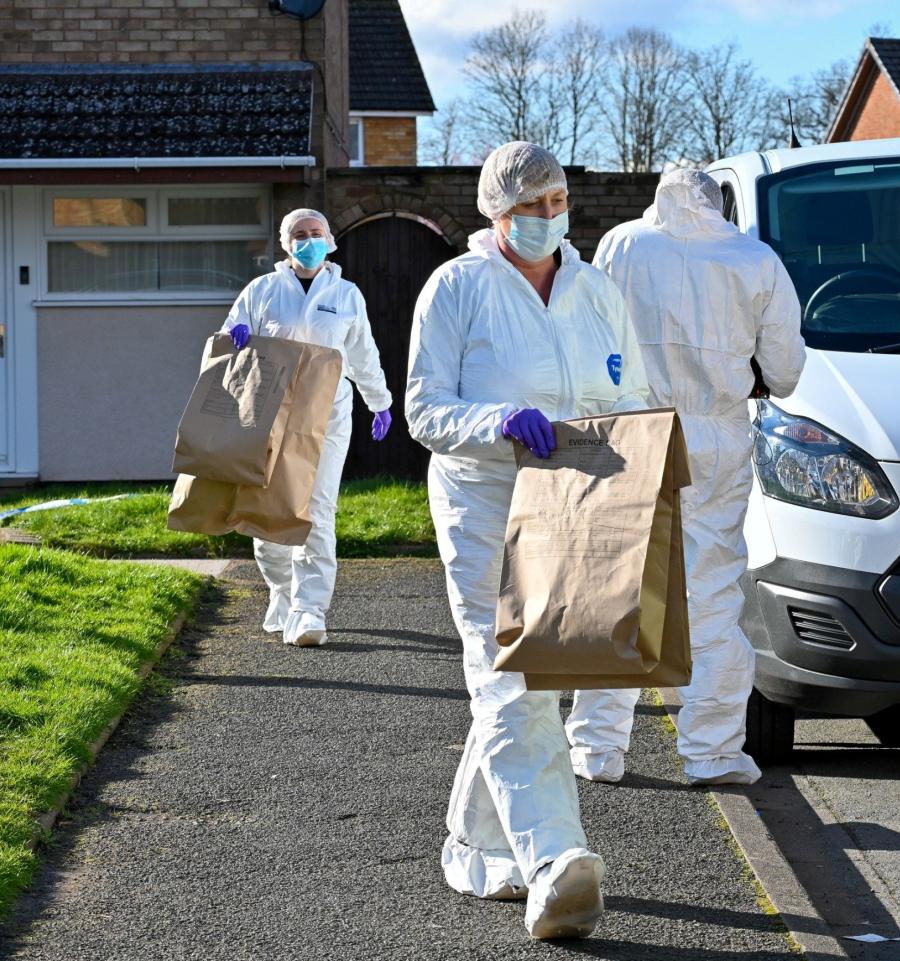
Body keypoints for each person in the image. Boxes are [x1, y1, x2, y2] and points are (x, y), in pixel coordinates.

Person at [405, 142, 649, 939]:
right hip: (487, 505)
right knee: (514, 675)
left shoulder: (596, 289)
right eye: (530, 206)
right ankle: (556, 860)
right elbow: (424, 409)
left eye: (557, 201)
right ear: (495, 212)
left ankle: (476, 846)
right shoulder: (457, 288)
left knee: (527, 681)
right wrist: (495, 422)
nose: (548, 218)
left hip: (579, 507)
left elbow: (637, 397)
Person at [572, 169, 805, 787]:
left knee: (620, 586)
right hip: (714, 435)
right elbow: (785, 371)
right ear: (720, 202)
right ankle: (713, 752)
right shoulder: (753, 259)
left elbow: (592, 333)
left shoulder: (623, 243)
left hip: (631, 429)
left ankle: (597, 749)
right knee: (712, 591)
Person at [224, 207, 393, 647]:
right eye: (300, 234)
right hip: (269, 414)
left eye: (316, 232)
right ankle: (281, 591)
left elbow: (362, 353)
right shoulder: (261, 291)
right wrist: (236, 335)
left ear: (331, 239)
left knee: (317, 511)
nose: (309, 240)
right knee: (268, 511)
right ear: (285, 243)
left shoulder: (347, 293)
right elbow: (227, 339)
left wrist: (380, 402)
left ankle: (309, 609)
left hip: (328, 415)